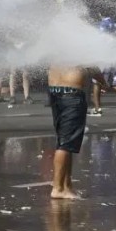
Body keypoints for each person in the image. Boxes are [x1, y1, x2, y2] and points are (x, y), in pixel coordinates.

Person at [47, 64, 108, 199]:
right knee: (66, 144)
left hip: (55, 90)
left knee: (64, 140)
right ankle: (58, 188)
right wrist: (103, 82)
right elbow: (92, 66)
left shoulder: (55, 44)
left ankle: (66, 185)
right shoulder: (79, 44)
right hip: (73, 93)